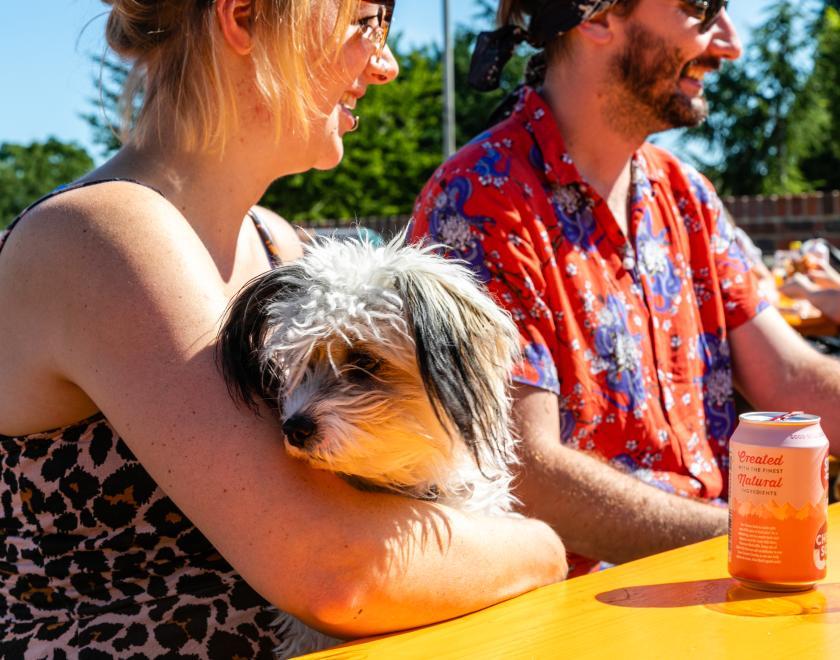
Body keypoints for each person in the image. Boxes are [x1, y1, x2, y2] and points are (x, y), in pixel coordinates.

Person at [0, 1, 568, 656]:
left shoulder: (276, 244)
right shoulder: (97, 236)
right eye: (366, 21)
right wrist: (544, 547)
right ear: (243, 17)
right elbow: (339, 572)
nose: (384, 65)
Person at [410, 0, 840, 577]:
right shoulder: (479, 201)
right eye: (702, 8)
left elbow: (791, 379)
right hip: (582, 616)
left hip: (719, 578)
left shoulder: (684, 193)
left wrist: (751, 542)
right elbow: (526, 475)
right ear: (596, 16)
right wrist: (754, 537)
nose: (730, 44)